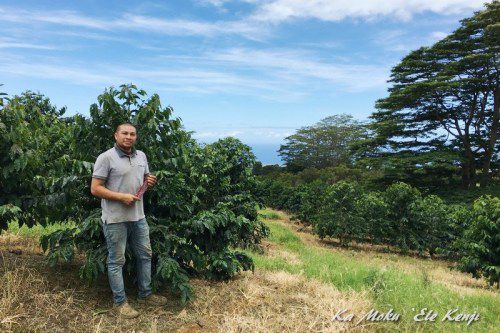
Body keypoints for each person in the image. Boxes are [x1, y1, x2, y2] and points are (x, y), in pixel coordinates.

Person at [90, 123, 167, 318]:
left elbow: (144, 179)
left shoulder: (141, 156)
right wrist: (121, 197)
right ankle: (120, 303)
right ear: (116, 135)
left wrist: (150, 181)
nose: (129, 136)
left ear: (136, 137)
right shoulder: (106, 158)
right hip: (115, 219)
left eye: (132, 134)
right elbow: (95, 188)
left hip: (138, 217)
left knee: (145, 256)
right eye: (124, 133)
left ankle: (146, 294)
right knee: (117, 261)